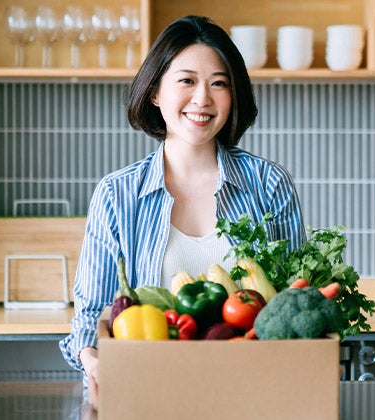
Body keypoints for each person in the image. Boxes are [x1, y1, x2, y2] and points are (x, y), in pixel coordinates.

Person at [59, 15, 306, 409]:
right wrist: (92, 360)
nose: (203, 99)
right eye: (187, 80)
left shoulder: (269, 185)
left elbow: (297, 301)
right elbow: (91, 314)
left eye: (219, 83)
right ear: (156, 91)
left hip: (254, 397)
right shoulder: (117, 195)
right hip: (149, 395)